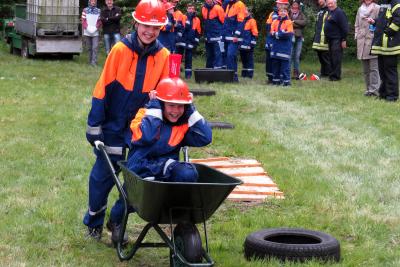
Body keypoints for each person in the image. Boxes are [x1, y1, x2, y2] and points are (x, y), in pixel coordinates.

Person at [84, 0, 170, 243]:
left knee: (136, 183)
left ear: (160, 29)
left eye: (155, 27)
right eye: (145, 25)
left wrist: (159, 99)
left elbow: (168, 94)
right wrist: (95, 126)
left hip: (141, 130)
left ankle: (117, 221)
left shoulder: (163, 56)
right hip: (112, 127)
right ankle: (94, 221)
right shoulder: (120, 50)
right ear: (136, 23)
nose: (149, 31)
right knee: (101, 180)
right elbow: (102, 89)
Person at [126, 77, 212, 182]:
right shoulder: (143, 115)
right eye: (171, 105)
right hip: (140, 169)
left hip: (167, 170)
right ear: (161, 104)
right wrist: (154, 108)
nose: (175, 111)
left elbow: (206, 138)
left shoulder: (182, 124)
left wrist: (191, 109)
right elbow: (147, 137)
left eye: (180, 106)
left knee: (188, 174)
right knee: (127, 198)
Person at [371, 0, 400, 102]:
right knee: (382, 71)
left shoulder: (396, 3)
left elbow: (398, 20)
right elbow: (383, 19)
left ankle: (392, 96)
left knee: (390, 71)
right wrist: (374, 21)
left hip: (391, 45)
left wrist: (389, 31)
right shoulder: (383, 3)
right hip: (381, 44)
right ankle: (383, 93)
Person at [355, 0, 380, 97]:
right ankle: (368, 89)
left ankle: (374, 90)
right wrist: (357, 35)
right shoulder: (360, 9)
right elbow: (356, 24)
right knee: (366, 69)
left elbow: (381, 24)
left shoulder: (377, 8)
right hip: (361, 42)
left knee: (374, 68)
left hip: (372, 40)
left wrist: (373, 23)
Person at [175, 3, 202, 79]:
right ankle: (176, 74)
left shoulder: (197, 20)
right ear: (187, 9)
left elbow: (198, 32)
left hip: (190, 42)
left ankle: (188, 75)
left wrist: (196, 42)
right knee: (178, 58)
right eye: (189, 8)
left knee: (189, 58)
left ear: (194, 10)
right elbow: (179, 27)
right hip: (181, 41)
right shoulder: (182, 16)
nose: (191, 10)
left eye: (192, 9)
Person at [324, 0, 349, 81]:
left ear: (336, 3)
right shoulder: (330, 12)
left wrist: (344, 39)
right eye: (328, 4)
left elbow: (344, 27)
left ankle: (336, 76)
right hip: (330, 39)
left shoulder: (339, 12)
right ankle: (332, 75)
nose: (330, 5)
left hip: (337, 39)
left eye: (332, 3)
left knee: (336, 58)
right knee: (331, 57)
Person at [222, 0, 246, 82]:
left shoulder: (240, 4)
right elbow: (226, 21)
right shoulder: (229, 4)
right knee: (230, 56)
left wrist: (236, 34)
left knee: (230, 55)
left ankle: (231, 76)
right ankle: (233, 77)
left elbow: (241, 21)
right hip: (227, 36)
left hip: (234, 37)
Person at [270, 5, 294, 86]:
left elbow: (288, 35)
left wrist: (277, 34)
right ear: (278, 12)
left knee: (285, 67)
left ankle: (286, 82)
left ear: (287, 12)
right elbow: (271, 33)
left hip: (285, 48)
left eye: (284, 11)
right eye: (281, 11)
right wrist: (281, 33)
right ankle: (276, 81)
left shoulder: (289, 22)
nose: (283, 13)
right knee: (275, 65)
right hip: (275, 47)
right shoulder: (274, 21)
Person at [202, 0, 225, 69]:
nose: (208, 1)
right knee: (209, 55)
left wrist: (221, 34)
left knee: (218, 54)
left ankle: (218, 71)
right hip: (208, 37)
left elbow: (223, 22)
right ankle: (209, 71)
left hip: (218, 37)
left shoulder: (218, 8)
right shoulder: (203, 8)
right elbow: (205, 22)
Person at [312, 0, 331, 78]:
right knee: (320, 56)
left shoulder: (329, 10)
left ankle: (329, 72)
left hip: (325, 37)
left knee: (325, 56)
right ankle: (323, 72)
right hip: (318, 37)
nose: (320, 1)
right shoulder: (320, 11)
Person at [289, 0, 307, 79]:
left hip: (299, 37)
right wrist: (295, 24)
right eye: (294, 4)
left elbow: (304, 22)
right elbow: (287, 22)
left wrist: (294, 21)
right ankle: (287, 71)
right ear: (292, 5)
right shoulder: (288, 13)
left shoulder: (301, 13)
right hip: (290, 36)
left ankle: (296, 72)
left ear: (298, 6)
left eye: (296, 5)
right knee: (290, 55)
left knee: (297, 56)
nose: (295, 6)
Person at [239, 8, 258, 78]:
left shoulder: (252, 21)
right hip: (241, 44)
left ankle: (250, 74)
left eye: (246, 11)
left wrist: (252, 43)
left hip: (248, 44)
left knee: (249, 59)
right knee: (243, 60)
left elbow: (255, 33)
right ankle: (244, 73)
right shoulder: (241, 20)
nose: (244, 12)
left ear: (249, 13)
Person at [82, 0, 102, 66]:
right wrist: (87, 28)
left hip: (95, 32)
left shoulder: (98, 10)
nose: (93, 2)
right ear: (89, 2)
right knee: (89, 47)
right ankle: (89, 61)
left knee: (95, 47)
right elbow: (83, 20)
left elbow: (99, 21)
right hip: (87, 31)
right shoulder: (85, 10)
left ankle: (94, 62)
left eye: (94, 1)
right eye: (92, 1)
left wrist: (96, 28)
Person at [265, 4, 279, 83]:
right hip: (269, 40)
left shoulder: (282, 14)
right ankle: (270, 78)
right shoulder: (272, 13)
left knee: (273, 60)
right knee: (269, 59)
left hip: (274, 41)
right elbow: (269, 28)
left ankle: (274, 78)